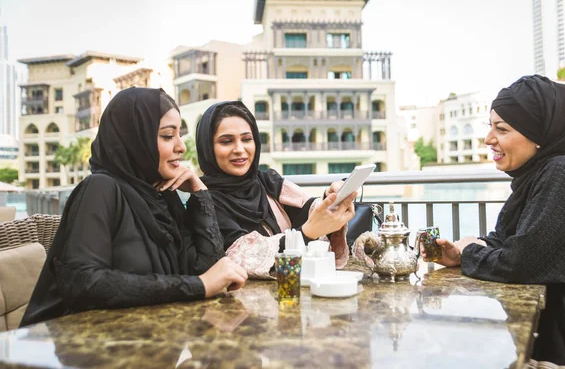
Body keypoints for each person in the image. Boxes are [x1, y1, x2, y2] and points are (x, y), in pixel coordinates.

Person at [21, 88, 247, 327]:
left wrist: (201, 194)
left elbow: (207, 269)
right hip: (84, 347)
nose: (181, 146)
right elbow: (84, 282)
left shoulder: (162, 198)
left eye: (179, 135)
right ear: (134, 139)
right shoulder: (100, 189)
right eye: (168, 136)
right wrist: (197, 286)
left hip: (147, 340)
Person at [421, 75, 565, 365]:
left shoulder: (563, 173)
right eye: (490, 127)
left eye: (501, 129)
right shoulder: (538, 175)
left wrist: (471, 252)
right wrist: (464, 254)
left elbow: (524, 263)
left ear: (539, 135)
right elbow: (515, 240)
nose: (489, 139)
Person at [194, 101, 356, 278]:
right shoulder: (204, 201)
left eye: (247, 139)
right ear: (208, 148)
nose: (240, 149)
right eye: (226, 141)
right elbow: (243, 258)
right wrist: (308, 232)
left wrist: (332, 200)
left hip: (295, 294)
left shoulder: (268, 182)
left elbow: (308, 209)